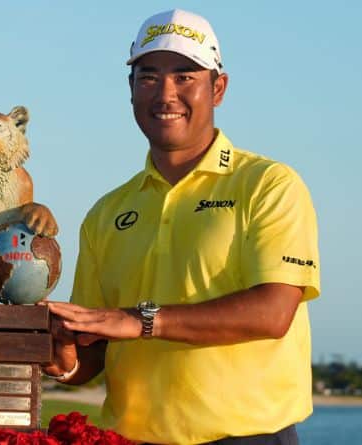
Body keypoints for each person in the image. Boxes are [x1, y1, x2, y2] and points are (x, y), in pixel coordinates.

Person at [43, 9, 320, 445]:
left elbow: (273, 312)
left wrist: (141, 320)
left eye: (185, 76)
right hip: (130, 437)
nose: (165, 94)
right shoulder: (106, 211)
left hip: (248, 438)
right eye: (149, 77)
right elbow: (94, 349)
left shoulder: (269, 184)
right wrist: (67, 362)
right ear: (131, 90)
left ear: (219, 88)